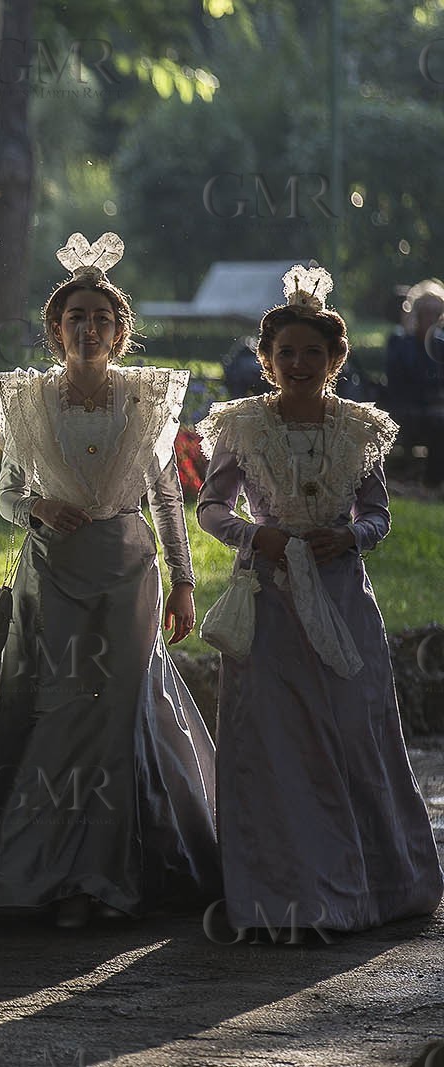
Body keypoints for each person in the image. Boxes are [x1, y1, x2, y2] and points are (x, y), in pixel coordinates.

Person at [0, 232, 219, 929]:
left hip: (128, 572)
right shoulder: (28, 403)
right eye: (74, 317)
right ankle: (43, 872)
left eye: (101, 319)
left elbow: (168, 496)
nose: (87, 328)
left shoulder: (144, 401)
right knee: (59, 714)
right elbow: (5, 495)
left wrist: (183, 580)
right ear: (56, 329)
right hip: (52, 570)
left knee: (113, 721)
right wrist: (35, 507)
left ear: (120, 332)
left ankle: (104, 876)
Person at [196, 265, 443, 937]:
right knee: (276, 737)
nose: (299, 363)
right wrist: (256, 535)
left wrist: (351, 536)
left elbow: (380, 513)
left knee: (355, 728)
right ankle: (287, 885)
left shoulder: (362, 428)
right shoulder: (241, 426)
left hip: (342, 598)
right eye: (286, 353)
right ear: (268, 361)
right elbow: (211, 506)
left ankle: (378, 881)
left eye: (313, 352)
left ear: (335, 359)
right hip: (270, 596)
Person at [383, 280, 444, 484]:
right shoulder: (400, 342)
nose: (432, 318)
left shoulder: (439, 343)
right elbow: (402, 381)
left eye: (437, 313)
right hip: (408, 409)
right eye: (427, 312)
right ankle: (432, 483)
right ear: (416, 313)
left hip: (433, 408)